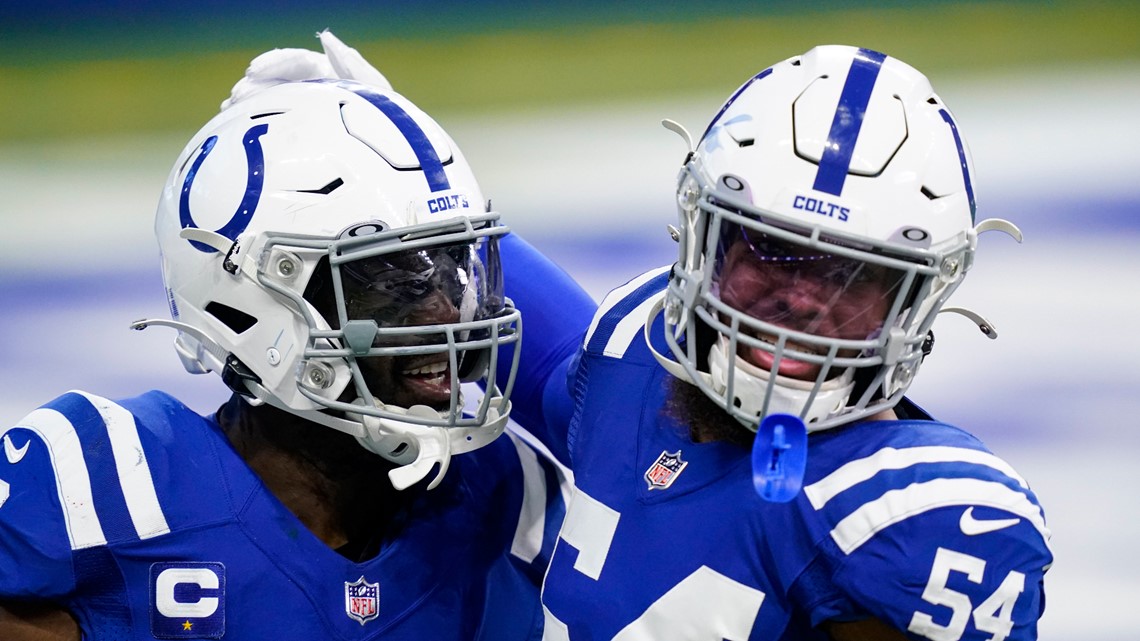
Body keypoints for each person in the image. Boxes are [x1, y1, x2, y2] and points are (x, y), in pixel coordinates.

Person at [0, 33, 565, 640]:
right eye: (396, 283)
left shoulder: (502, 490)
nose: (451, 313)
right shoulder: (108, 482)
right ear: (248, 304)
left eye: (456, 268)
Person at [493, 46, 1053, 639]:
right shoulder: (629, 359)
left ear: (912, 303)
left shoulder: (910, 518)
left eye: (851, 275)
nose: (803, 301)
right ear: (707, 245)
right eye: (771, 250)